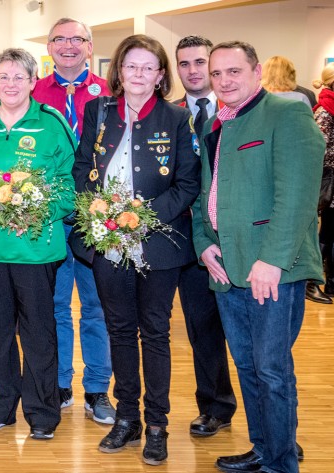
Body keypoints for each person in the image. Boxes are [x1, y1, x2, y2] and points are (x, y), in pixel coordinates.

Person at [195, 41, 323, 473]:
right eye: (217, 74)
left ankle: (282, 463)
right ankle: (263, 449)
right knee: (247, 366)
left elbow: (299, 196)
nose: (224, 81)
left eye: (234, 72)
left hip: (271, 268)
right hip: (225, 268)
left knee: (272, 372)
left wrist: (273, 260)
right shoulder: (213, 125)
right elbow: (202, 196)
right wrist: (204, 244)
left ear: (256, 73)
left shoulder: (286, 114)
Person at [73, 34, 200, 466]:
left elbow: (187, 184)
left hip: (158, 245)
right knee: (120, 331)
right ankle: (126, 418)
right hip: (107, 242)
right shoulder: (98, 111)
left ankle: (158, 424)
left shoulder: (178, 118)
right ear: (119, 71)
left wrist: (142, 220)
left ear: (161, 75)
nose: (139, 74)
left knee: (155, 333)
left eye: (149, 68)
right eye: (132, 66)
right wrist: (98, 212)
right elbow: (80, 169)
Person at [0, 48, 76, 441]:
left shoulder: (51, 123)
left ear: (32, 81)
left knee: (39, 332)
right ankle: (1, 405)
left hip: (37, 248)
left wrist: (40, 208)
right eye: (3, 77)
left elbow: (68, 183)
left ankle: (42, 412)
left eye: (18, 77)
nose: (10, 84)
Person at [30, 17, 115, 424]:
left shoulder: (110, 93)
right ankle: (60, 383)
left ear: (89, 44)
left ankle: (98, 389)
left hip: (97, 219)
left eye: (76, 39)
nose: (67, 45)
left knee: (97, 308)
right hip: (49, 216)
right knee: (55, 307)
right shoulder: (33, 93)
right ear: (48, 47)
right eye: (59, 39)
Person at [172, 35, 239, 437]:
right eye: (185, 64)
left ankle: (277, 428)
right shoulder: (171, 116)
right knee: (203, 328)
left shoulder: (236, 111)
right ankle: (215, 406)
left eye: (201, 62)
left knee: (256, 342)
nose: (194, 71)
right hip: (188, 240)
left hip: (240, 239)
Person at [315, 63, 334, 305]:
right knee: (329, 233)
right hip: (330, 180)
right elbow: (318, 147)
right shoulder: (324, 110)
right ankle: (323, 282)